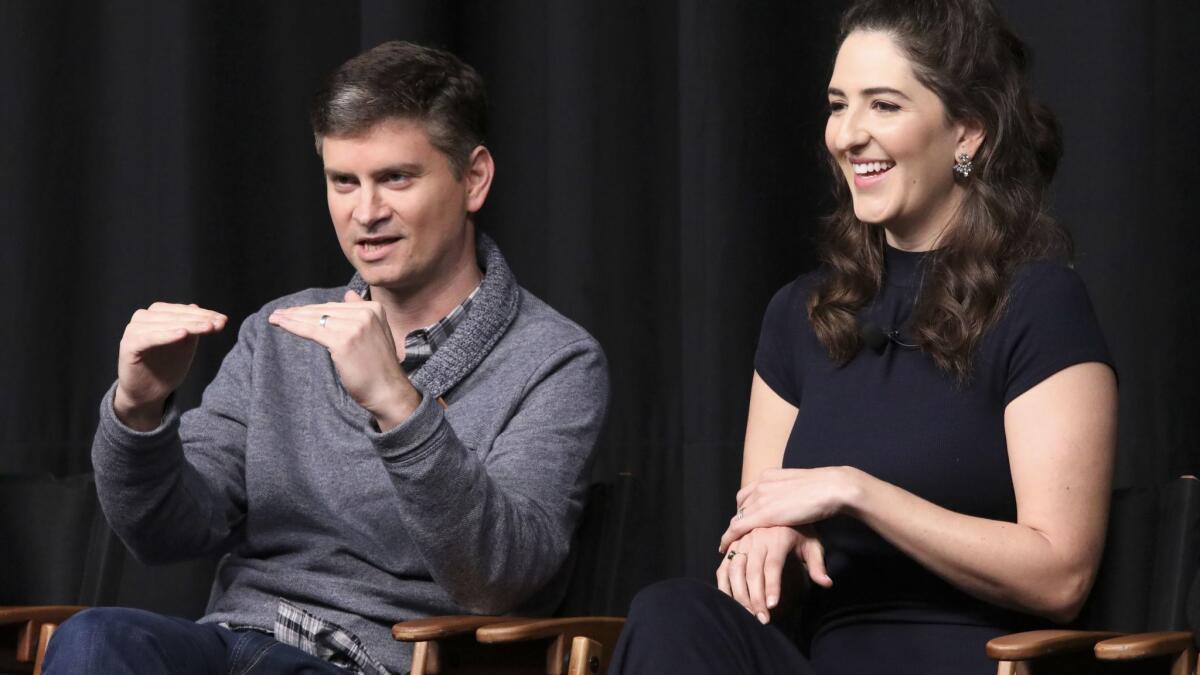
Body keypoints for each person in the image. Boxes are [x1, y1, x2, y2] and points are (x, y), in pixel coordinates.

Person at [43, 41, 609, 675]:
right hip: (239, 640)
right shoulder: (282, 331)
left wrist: (399, 405)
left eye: (397, 177)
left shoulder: (554, 360)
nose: (366, 213)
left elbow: (502, 578)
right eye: (345, 181)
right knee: (95, 639)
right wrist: (140, 410)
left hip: (373, 661)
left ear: (473, 178)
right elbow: (166, 531)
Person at [608, 1, 1116, 673]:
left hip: (969, 660)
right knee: (671, 611)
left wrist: (855, 491)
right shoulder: (799, 314)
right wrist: (770, 540)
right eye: (838, 104)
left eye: (883, 106)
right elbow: (755, 543)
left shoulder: (1039, 304)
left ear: (967, 133)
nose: (847, 134)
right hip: (819, 658)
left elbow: (1061, 576)